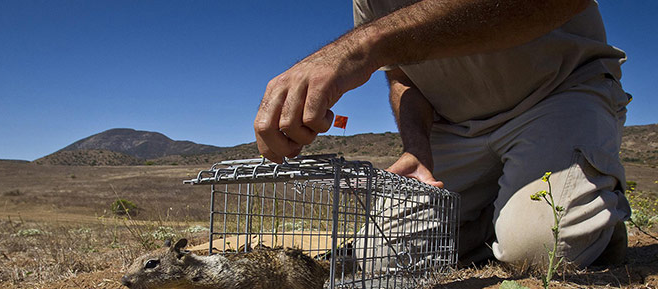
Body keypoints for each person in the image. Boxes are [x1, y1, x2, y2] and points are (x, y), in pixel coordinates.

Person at [254, 0, 631, 267]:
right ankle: (509, 211)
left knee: (539, 251)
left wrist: (361, 48)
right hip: (456, 128)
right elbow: (402, 76)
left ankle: (590, 214)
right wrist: (418, 148)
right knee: (377, 259)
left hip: (558, 94)